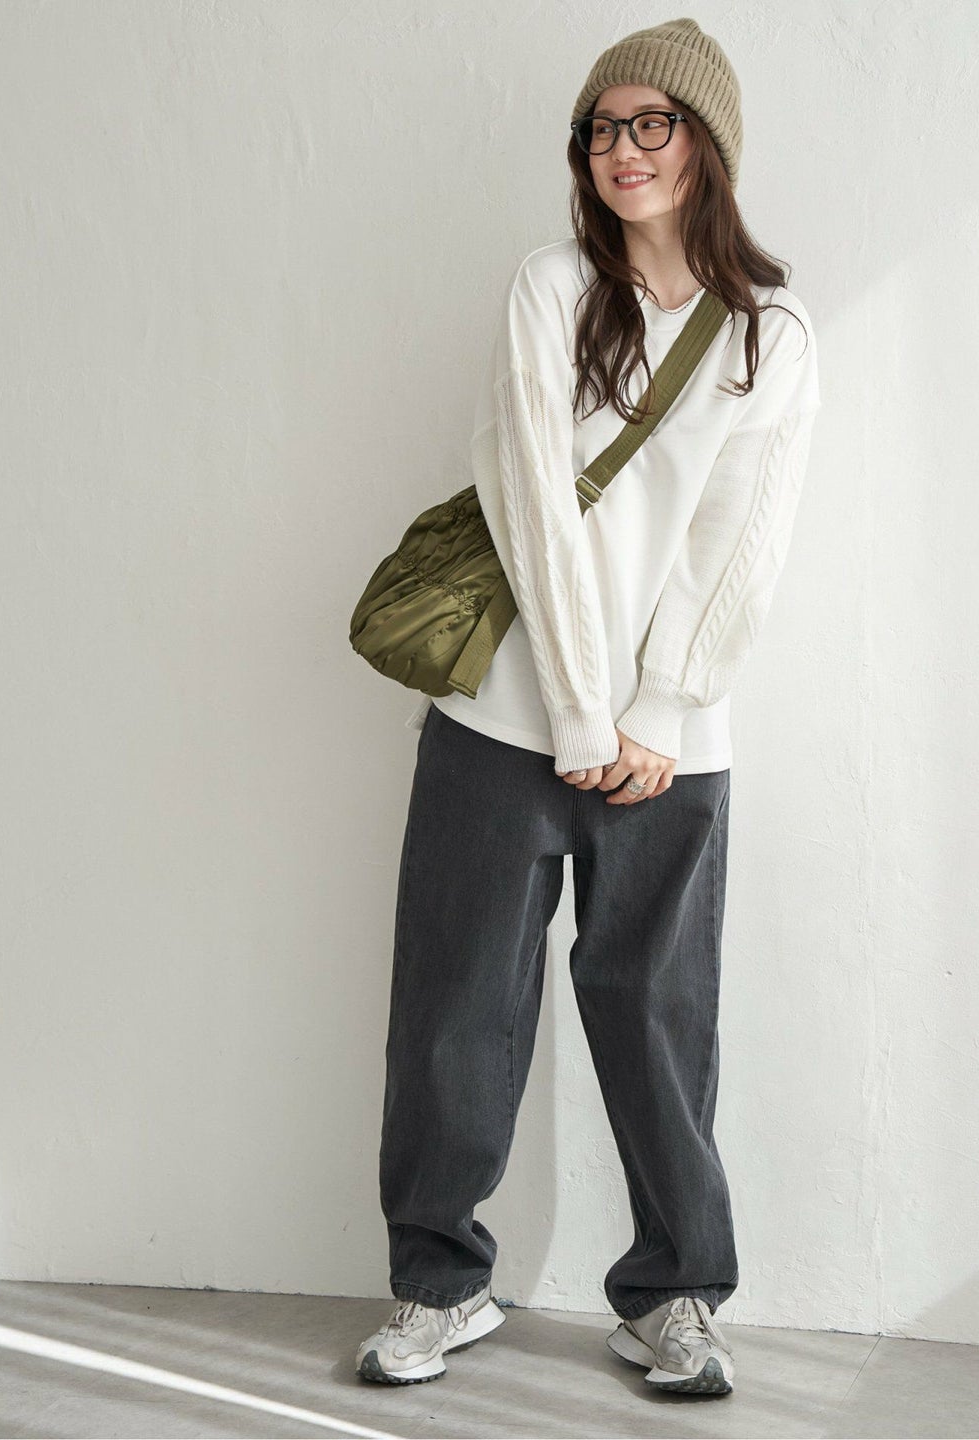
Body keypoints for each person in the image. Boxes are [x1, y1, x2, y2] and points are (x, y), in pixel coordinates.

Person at [355, 16, 820, 1397]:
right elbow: (531, 506)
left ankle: (674, 1295)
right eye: (603, 128)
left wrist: (660, 709)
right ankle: (438, 1284)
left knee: (660, 1017)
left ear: (707, 142)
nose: (625, 149)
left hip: (673, 745)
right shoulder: (550, 289)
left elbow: (744, 544)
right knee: (454, 1011)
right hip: (507, 718)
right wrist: (578, 710)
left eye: (652, 123)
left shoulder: (771, 333)